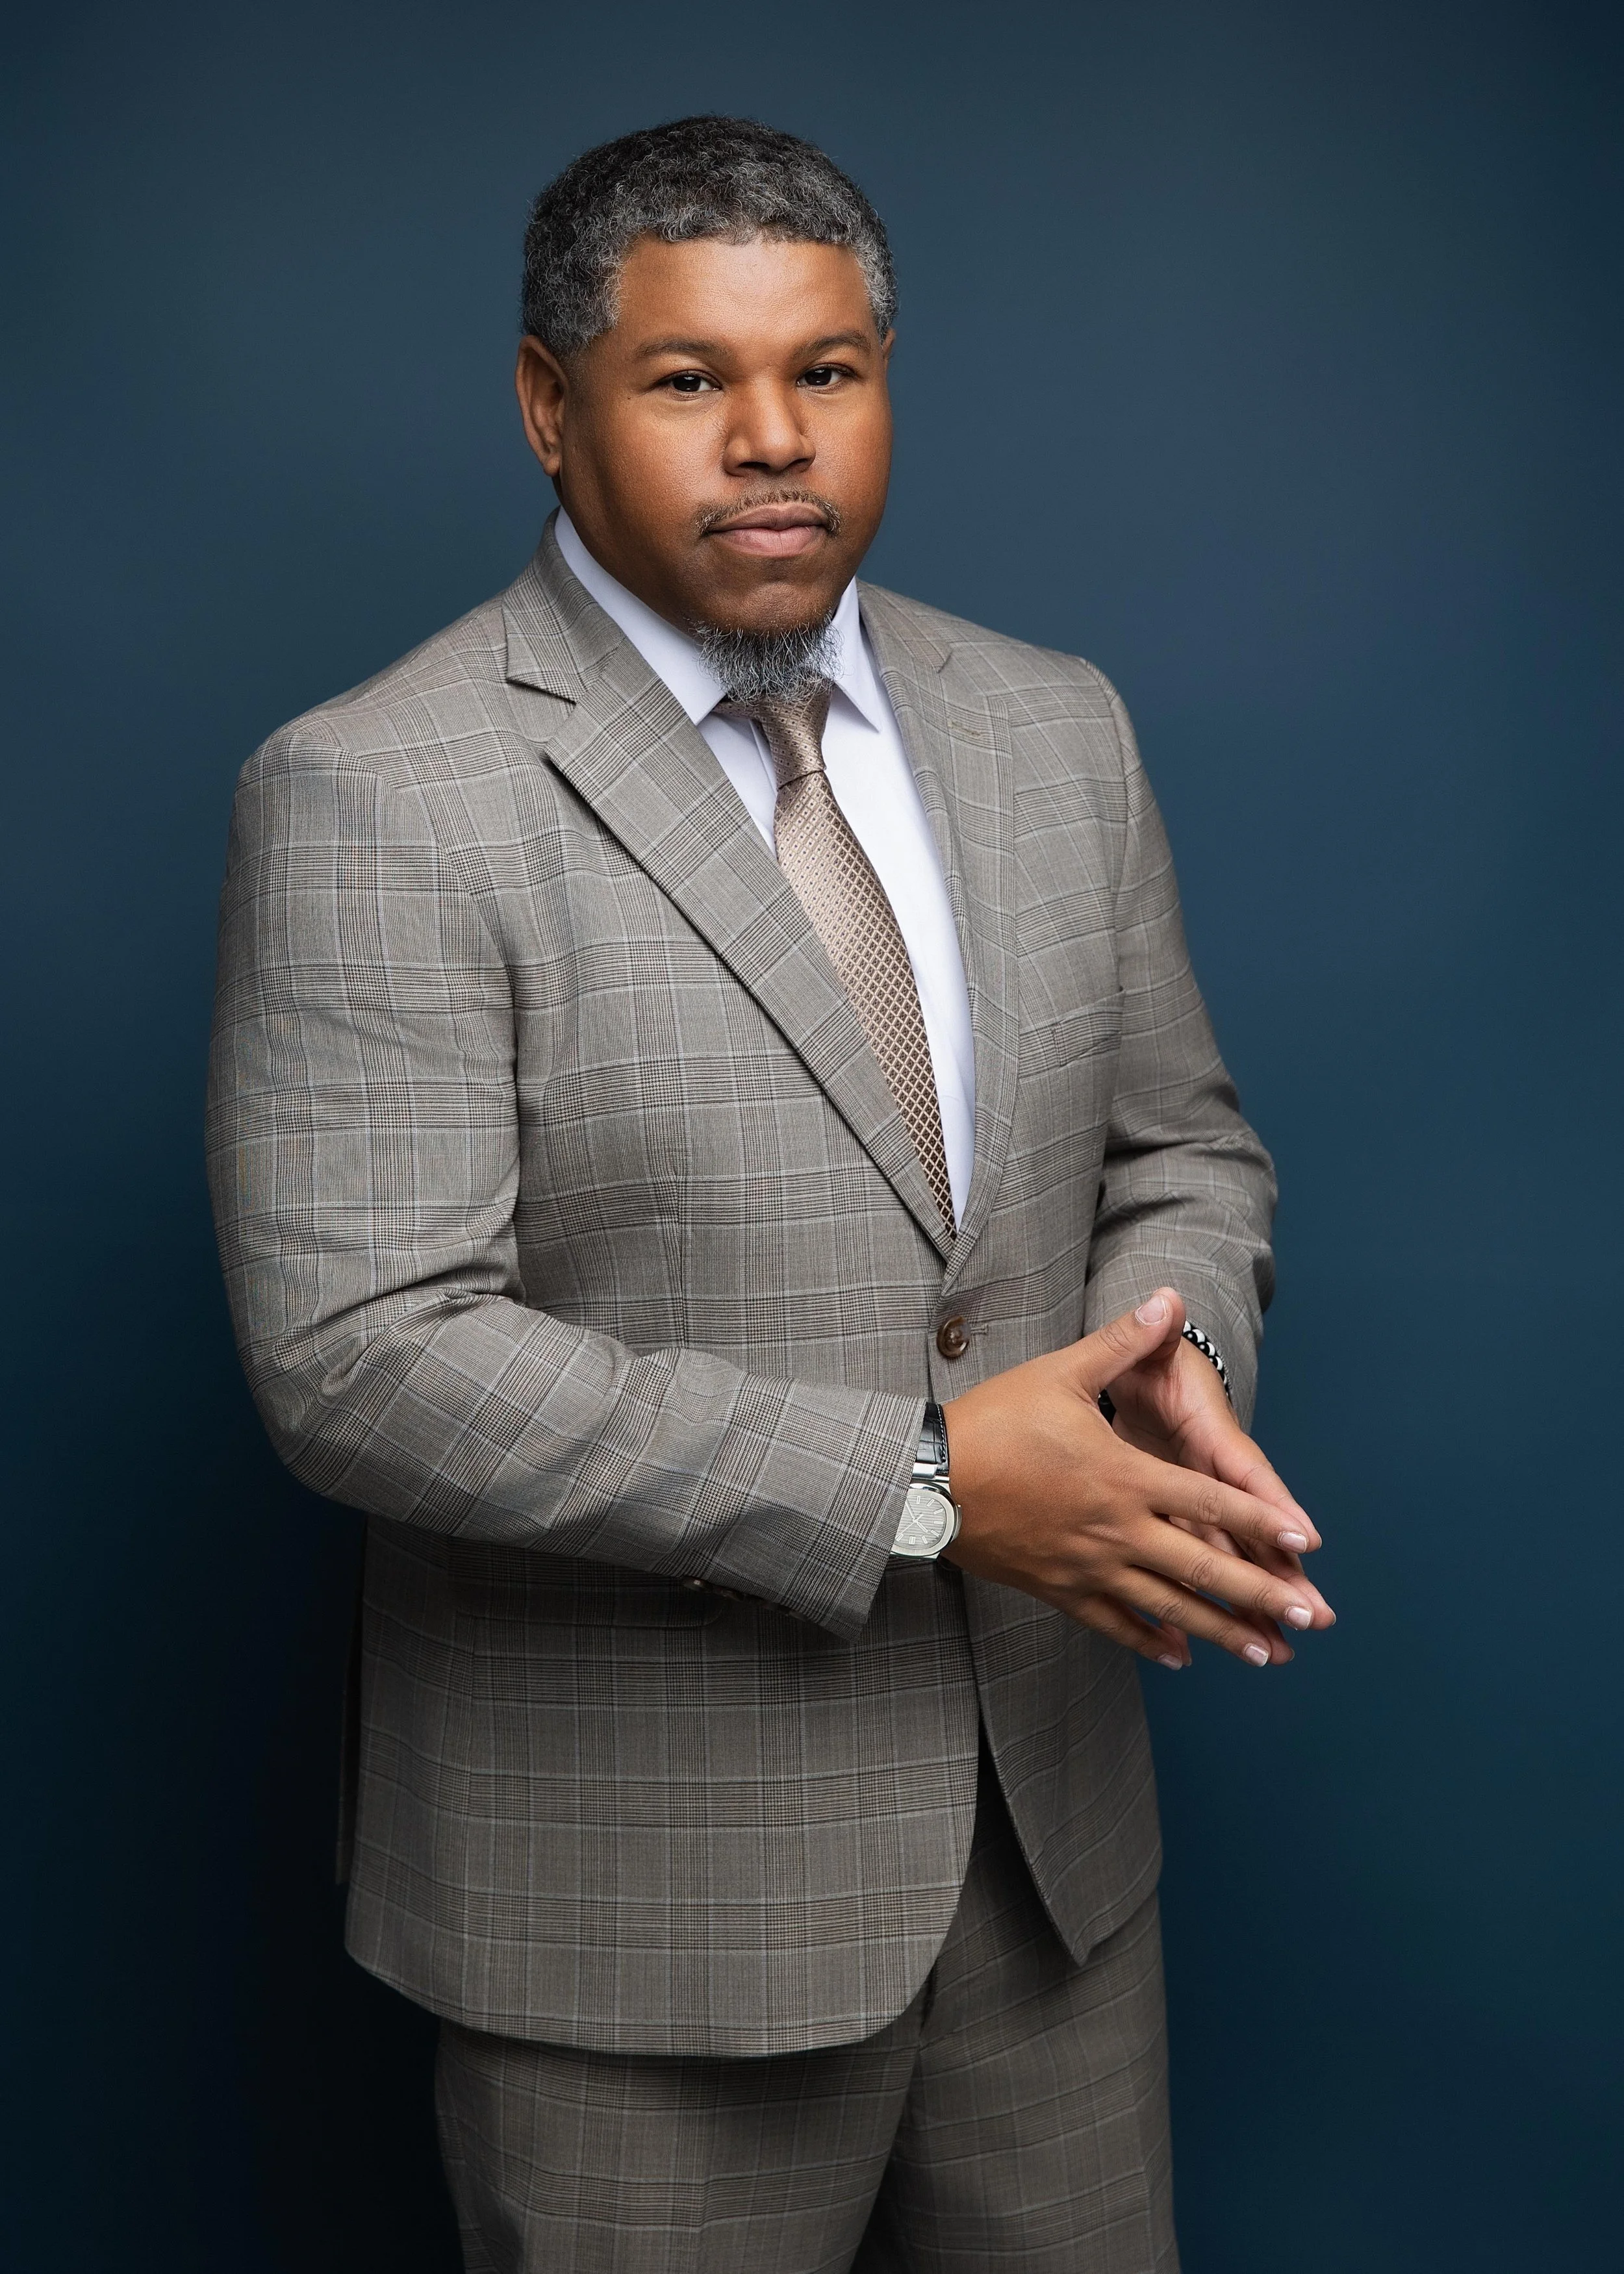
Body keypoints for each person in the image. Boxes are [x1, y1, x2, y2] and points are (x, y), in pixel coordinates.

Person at [208, 114, 1332, 2273]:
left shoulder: (1046, 729)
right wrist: (920, 1481)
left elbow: (1178, 1148)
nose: (769, 441)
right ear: (549, 409)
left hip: (1053, 1879)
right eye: (685, 380)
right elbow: (358, 1356)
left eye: (826, 372)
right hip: (641, 1939)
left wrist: (1151, 1378)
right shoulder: (382, 790)